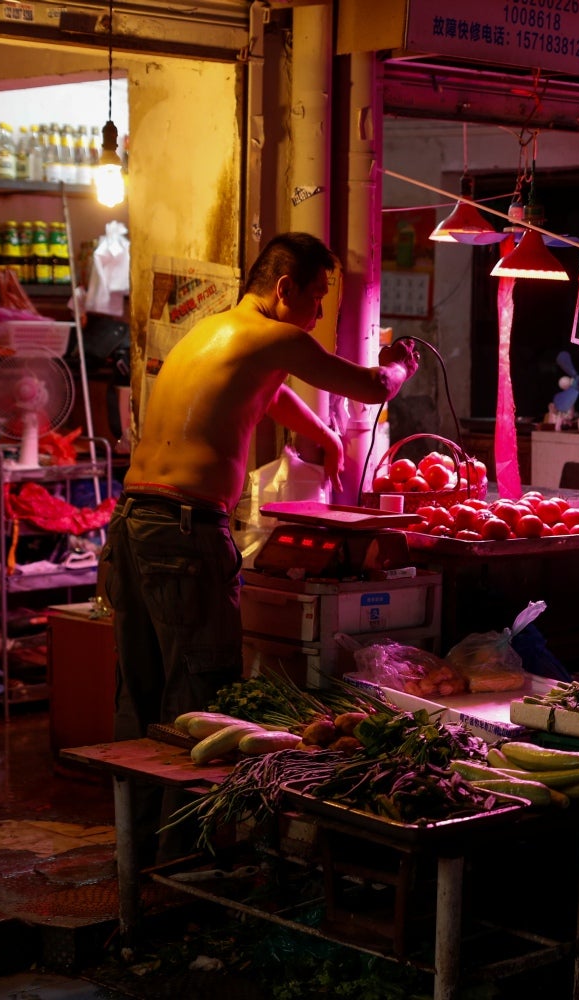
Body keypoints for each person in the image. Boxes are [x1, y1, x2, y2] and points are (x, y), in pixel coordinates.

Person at [102, 232, 419, 854]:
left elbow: (266, 392)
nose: (319, 315)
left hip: (133, 522)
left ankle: (134, 860)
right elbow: (376, 386)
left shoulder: (212, 331)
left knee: (140, 698)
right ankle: (185, 866)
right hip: (184, 534)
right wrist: (402, 359)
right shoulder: (279, 335)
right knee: (199, 703)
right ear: (284, 289)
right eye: (318, 297)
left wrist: (324, 436)